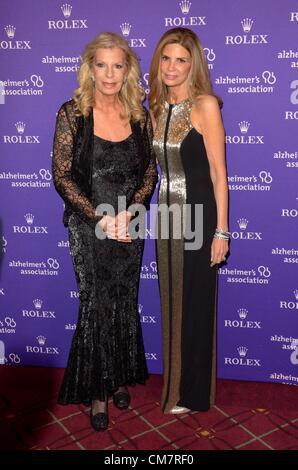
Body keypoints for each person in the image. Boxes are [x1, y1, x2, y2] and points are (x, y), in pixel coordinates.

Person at [52, 32, 157, 431]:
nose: (110, 74)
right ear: (89, 68)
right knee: (95, 303)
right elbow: (61, 176)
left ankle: (118, 377)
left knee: (123, 300)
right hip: (89, 223)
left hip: (129, 225)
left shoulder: (138, 114)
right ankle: (98, 392)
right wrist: (101, 218)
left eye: (118, 65)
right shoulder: (72, 114)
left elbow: (150, 171)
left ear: (127, 69)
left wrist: (131, 212)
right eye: (102, 65)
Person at [149, 28, 229, 414]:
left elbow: (219, 173)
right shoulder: (154, 106)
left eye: (181, 59)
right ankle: (174, 383)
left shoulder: (205, 105)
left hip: (198, 213)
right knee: (171, 301)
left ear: (192, 64)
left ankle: (192, 392)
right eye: (166, 58)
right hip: (165, 215)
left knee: (195, 302)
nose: (172, 67)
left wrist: (222, 231)